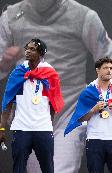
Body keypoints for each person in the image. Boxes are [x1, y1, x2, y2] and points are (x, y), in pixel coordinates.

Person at [0, 0, 112, 172]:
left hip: (70, 110)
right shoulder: (11, 17)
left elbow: (109, 59)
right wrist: (4, 63)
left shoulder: (83, 16)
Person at [0, 38, 64, 173]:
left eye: (32, 49)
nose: (28, 51)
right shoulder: (18, 73)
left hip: (43, 129)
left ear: (41, 53)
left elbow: (53, 104)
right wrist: (1, 128)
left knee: (48, 169)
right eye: (27, 48)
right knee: (18, 169)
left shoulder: (50, 74)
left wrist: (48, 124)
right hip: (21, 129)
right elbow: (8, 104)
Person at [64, 57, 112, 173]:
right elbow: (80, 118)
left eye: (111, 68)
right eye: (105, 68)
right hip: (94, 139)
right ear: (98, 70)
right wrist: (93, 110)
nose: (109, 71)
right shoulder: (88, 92)